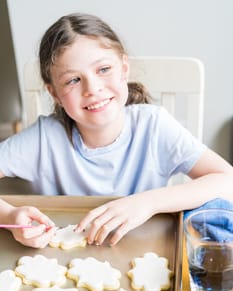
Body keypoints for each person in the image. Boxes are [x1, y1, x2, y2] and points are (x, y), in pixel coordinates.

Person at [0, 13, 233, 248]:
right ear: (54, 94)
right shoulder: (44, 139)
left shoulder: (154, 127)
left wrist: (147, 202)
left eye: (103, 69)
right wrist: (9, 216)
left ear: (124, 69)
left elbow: (228, 181)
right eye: (73, 80)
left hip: (150, 252)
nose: (93, 88)